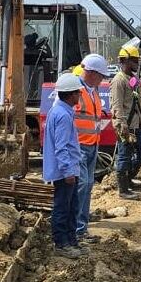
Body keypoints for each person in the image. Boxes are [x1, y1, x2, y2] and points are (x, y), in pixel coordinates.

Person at [43, 71, 83, 258]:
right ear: (71, 94)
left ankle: (71, 240)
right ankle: (61, 244)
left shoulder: (59, 110)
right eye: (78, 92)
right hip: (64, 172)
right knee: (63, 207)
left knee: (72, 206)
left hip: (68, 169)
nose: (80, 95)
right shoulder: (63, 115)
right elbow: (61, 147)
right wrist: (67, 171)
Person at [74, 53, 108, 245]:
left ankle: (82, 227)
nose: (102, 80)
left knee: (87, 186)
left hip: (91, 145)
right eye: (101, 76)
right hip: (79, 145)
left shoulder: (92, 91)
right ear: (93, 73)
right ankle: (78, 229)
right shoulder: (75, 90)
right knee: (83, 185)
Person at [110, 43, 141, 199]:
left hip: (136, 123)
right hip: (125, 124)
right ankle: (123, 189)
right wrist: (122, 124)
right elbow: (116, 104)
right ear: (126, 60)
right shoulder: (119, 80)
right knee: (124, 155)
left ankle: (129, 179)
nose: (137, 64)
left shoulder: (133, 79)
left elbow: (137, 99)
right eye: (134, 61)